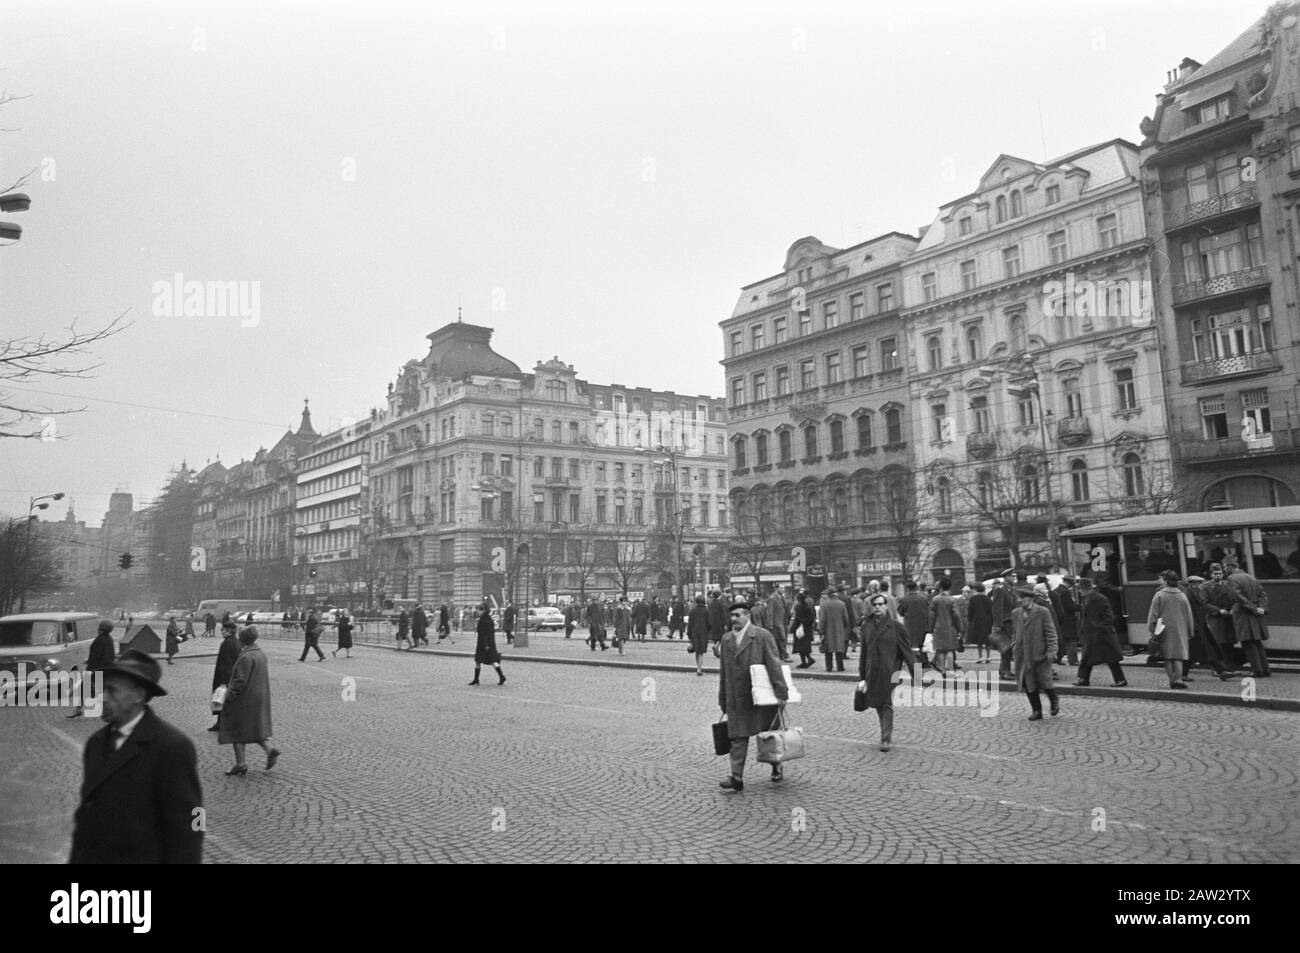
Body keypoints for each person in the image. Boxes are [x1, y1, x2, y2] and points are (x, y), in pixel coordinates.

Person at [69, 648, 203, 864]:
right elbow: (86, 820)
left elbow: (191, 826)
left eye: (112, 691)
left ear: (138, 695)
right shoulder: (95, 744)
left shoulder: (172, 747)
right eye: (102, 689)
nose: (102, 698)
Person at [717, 601, 789, 791]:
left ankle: (776, 765)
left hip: (759, 697)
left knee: (767, 735)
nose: (734, 619)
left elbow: (774, 665)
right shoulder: (726, 640)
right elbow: (723, 671)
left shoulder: (762, 636)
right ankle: (736, 777)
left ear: (747, 616)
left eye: (738, 615)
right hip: (735, 697)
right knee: (737, 737)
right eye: (731, 616)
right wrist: (722, 697)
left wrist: (781, 692)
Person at [858, 592, 917, 752]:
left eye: (880, 604)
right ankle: (885, 733)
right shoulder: (866, 626)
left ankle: (885, 738)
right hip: (872, 671)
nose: (877, 607)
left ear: (886, 606)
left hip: (889, 672)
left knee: (885, 703)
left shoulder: (896, 627)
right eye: (874, 604)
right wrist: (862, 677)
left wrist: (916, 674)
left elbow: (907, 652)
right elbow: (863, 653)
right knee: (877, 703)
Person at [219, 627, 279, 775]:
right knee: (254, 728)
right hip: (258, 697)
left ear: (243, 639)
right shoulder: (260, 653)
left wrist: (228, 696)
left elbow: (240, 681)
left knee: (237, 729)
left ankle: (241, 763)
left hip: (245, 699)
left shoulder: (246, 657)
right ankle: (270, 750)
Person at [1013, 585, 1060, 721]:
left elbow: (1051, 633)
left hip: (1040, 654)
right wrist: (1014, 645)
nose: (1020, 600)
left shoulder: (1042, 611)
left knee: (1045, 681)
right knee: (1029, 684)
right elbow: (1015, 633)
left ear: (1030, 598)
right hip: (1023, 655)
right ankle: (1036, 710)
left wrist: (1052, 651)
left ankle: (1053, 700)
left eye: (1023, 598)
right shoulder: (1016, 613)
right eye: (1019, 598)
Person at [1073, 577, 1127, 686]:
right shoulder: (1087, 598)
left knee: (1110, 658)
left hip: (1102, 635)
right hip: (1092, 634)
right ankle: (1083, 678)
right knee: (1088, 657)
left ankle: (1120, 680)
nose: (1079, 591)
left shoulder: (1099, 598)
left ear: (1085, 589)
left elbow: (1109, 616)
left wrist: (1098, 626)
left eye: (1080, 589)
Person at [1224, 559, 1270, 677]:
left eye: (1225, 567)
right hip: (1255, 614)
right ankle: (1265, 669)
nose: (1224, 569)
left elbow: (1236, 597)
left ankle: (1257, 670)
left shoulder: (1232, 579)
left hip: (1243, 613)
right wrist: (1261, 608)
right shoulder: (1251, 577)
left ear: (1230, 566)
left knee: (1248, 642)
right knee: (1257, 642)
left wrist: (1252, 608)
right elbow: (1262, 594)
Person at [1148, 570, 1192, 689]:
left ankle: (1172, 680)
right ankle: (1179, 679)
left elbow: (1153, 615)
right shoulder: (1182, 596)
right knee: (1178, 655)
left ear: (1166, 581)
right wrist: (1190, 630)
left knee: (1167, 657)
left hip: (1163, 629)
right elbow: (1188, 615)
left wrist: (1152, 629)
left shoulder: (1159, 595)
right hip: (1180, 629)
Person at [68, 619, 117, 719]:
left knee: (84, 690)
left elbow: (95, 656)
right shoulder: (109, 639)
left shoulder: (99, 639)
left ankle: (78, 710)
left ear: (101, 627)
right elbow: (109, 656)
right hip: (106, 669)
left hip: (96, 669)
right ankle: (104, 711)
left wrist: (89, 665)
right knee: (101, 691)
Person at [209, 620, 241, 731]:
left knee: (221, 699)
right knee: (224, 700)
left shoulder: (227, 643)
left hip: (225, 677)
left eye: (223, 629)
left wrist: (223, 681)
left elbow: (226, 663)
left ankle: (222, 724)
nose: (221, 631)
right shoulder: (236, 642)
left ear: (228, 631)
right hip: (231, 676)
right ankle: (220, 723)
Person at [928, 577, 962, 674]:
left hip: (938, 628)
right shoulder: (952, 600)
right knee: (949, 650)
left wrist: (930, 629)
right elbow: (956, 616)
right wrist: (959, 628)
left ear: (940, 587)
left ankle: (942, 670)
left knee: (940, 650)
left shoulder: (935, 600)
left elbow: (931, 616)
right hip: (950, 628)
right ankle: (951, 671)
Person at [470, 603, 506, 685]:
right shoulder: (488, 618)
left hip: (483, 644)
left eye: (478, 610)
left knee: (483, 660)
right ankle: (477, 679)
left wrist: (485, 644)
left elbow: (484, 634)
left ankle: (501, 676)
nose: (477, 611)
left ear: (482, 610)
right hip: (490, 643)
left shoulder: (483, 619)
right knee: (485, 661)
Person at [819, 588, 850, 672]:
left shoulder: (824, 605)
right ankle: (840, 667)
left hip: (827, 631)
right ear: (835, 594)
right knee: (839, 649)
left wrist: (821, 631)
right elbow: (846, 618)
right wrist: (844, 626)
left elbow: (822, 620)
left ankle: (829, 667)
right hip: (839, 629)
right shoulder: (842, 604)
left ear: (828, 595)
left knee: (828, 650)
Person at [898, 580, 930, 662]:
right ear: (916, 588)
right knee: (922, 643)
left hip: (910, 625)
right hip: (923, 624)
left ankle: (916, 664)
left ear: (907, 589)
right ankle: (924, 661)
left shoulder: (904, 599)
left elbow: (900, 611)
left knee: (913, 645)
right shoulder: (924, 598)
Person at [1051, 577, 1080, 666]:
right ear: (1068, 583)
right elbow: (1069, 606)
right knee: (1071, 639)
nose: (1071, 587)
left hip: (1059, 619)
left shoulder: (1055, 590)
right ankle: (1073, 659)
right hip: (1068, 619)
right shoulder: (1066, 592)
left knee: (1061, 639)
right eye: (1071, 585)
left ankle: (1058, 658)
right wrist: (1080, 606)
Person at [965, 582, 993, 663]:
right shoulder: (988, 599)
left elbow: (970, 611)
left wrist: (970, 620)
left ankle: (980, 657)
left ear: (976, 589)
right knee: (988, 640)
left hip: (976, 621)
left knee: (979, 641)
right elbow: (991, 611)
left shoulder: (973, 599)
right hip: (987, 622)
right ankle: (988, 656)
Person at [790, 591, 816, 668]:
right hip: (806, 630)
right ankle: (808, 659)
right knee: (804, 647)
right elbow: (811, 619)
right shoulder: (808, 607)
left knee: (800, 647)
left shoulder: (799, 608)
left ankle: (805, 661)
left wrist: (792, 628)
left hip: (800, 630)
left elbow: (796, 620)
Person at [687, 594, 710, 676]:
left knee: (697, 650)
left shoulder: (693, 611)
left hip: (694, 632)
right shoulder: (707, 610)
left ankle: (698, 667)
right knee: (701, 651)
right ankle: (699, 669)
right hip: (703, 633)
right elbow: (709, 623)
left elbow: (690, 624)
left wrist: (689, 634)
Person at [766, 586, 789, 660]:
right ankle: (783, 655)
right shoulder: (772, 598)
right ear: (776, 589)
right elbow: (769, 612)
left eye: (783, 588)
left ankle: (782, 655)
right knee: (780, 639)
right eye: (781, 588)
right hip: (776, 623)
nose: (783, 590)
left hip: (783, 622)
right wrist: (770, 624)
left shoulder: (782, 598)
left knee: (782, 639)